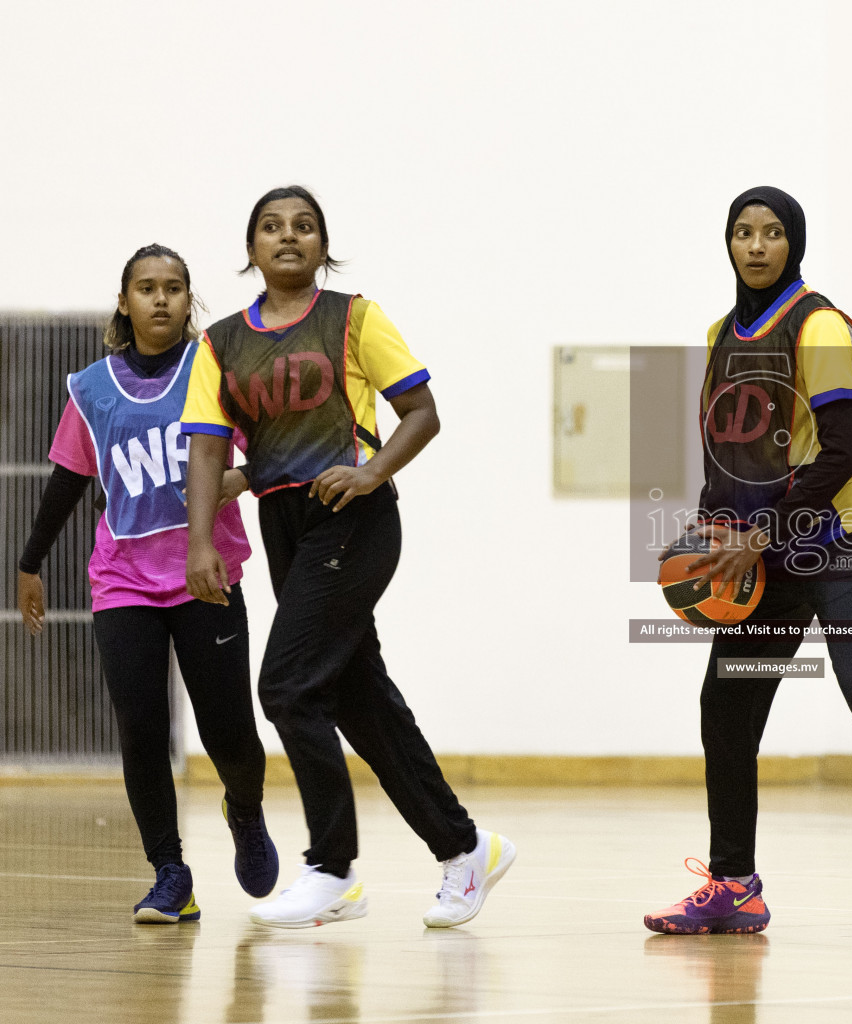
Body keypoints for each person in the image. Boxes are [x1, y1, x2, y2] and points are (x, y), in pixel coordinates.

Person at [180, 185, 513, 929]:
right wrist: (201, 541)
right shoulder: (221, 342)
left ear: (324, 247)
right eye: (271, 227)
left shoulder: (355, 317)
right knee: (359, 697)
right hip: (285, 526)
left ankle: (332, 869)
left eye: (304, 227)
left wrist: (372, 472)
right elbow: (209, 448)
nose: (288, 237)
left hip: (353, 519)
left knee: (289, 685)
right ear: (251, 250)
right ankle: (466, 849)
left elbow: (421, 412)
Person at [643, 186, 852, 946]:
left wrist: (766, 531)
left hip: (838, 544)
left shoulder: (816, 326)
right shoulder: (723, 332)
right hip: (767, 558)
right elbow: (733, 453)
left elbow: (840, 454)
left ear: (796, 243)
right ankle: (733, 887)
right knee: (727, 708)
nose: (756, 246)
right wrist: (716, 528)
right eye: (743, 233)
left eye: (772, 233)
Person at [15, 243, 276, 923]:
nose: (161, 299)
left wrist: (238, 481)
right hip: (123, 580)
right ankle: (170, 872)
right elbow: (69, 480)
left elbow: (270, 453)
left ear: (190, 302)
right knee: (140, 727)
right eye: (146, 287)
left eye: (174, 288)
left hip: (206, 574)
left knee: (231, 736)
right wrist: (30, 562)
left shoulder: (214, 371)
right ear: (124, 301)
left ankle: (243, 811)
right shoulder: (93, 388)